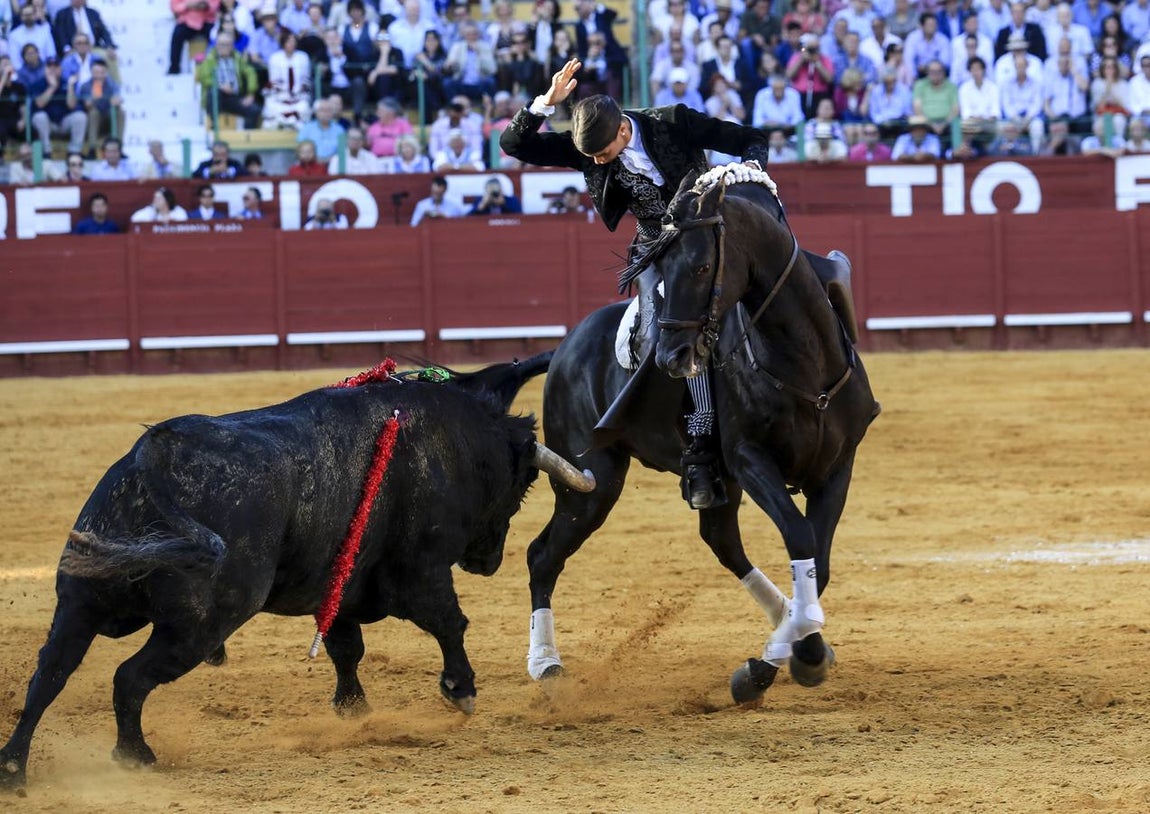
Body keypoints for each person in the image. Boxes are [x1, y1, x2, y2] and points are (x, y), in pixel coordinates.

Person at [500, 58, 856, 510]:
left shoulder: (673, 123)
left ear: (624, 133)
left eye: (602, 154)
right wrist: (544, 103)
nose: (595, 163)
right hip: (660, 254)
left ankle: (847, 380)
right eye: (589, 157)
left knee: (817, 276)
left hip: (717, 239)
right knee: (668, 335)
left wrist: (747, 175)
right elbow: (513, 143)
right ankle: (701, 448)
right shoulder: (586, 145)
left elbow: (750, 140)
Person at [196, 30, 262, 130]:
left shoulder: (238, 58)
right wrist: (220, 86)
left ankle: (247, 138)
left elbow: (250, 72)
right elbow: (204, 78)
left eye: (227, 44)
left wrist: (250, 93)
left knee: (254, 109)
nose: (224, 47)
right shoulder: (209, 59)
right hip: (217, 96)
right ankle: (214, 131)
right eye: (221, 44)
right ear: (216, 45)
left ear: (232, 46)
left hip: (233, 97)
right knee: (213, 93)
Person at [168, 0, 221, 75]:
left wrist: (206, 5)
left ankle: (217, 64)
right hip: (187, 22)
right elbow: (174, 7)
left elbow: (216, 5)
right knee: (177, 34)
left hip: (207, 21)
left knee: (215, 35)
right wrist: (187, 5)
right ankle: (174, 68)